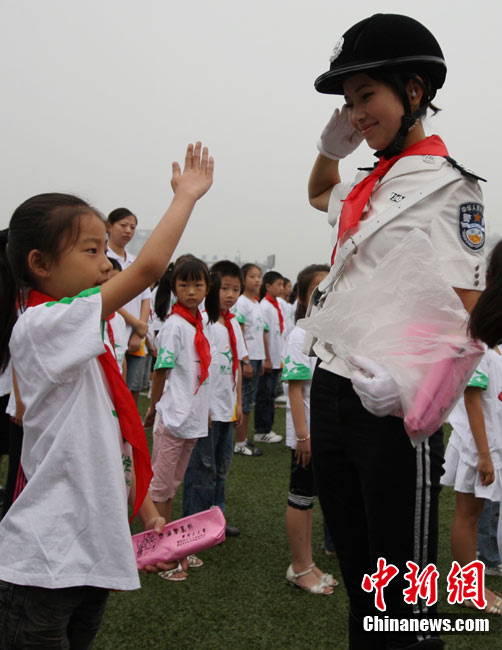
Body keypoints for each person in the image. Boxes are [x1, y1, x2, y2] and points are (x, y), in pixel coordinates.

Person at [307, 14, 485, 649]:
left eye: (366, 97)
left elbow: (468, 316)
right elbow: (319, 194)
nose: (356, 115)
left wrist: (411, 386)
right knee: (361, 575)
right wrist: (331, 150)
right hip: (331, 386)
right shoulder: (368, 181)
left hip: (391, 401)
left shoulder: (452, 187)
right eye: (348, 102)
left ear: (414, 91)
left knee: (403, 593)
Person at [0, 142, 214, 647]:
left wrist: (147, 513)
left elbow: (104, 442)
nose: (106, 262)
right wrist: (185, 196)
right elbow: (147, 270)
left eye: (105, 249)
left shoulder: (79, 338)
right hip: (47, 561)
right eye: (92, 250)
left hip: (90, 555)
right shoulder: (42, 324)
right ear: (40, 264)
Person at [144, 255, 218, 581]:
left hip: (192, 419)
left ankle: (170, 546)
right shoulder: (174, 325)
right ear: (173, 287)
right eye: (184, 284)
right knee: (161, 488)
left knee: (171, 485)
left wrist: (206, 411)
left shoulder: (199, 323)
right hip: (174, 416)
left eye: (197, 284)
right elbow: (161, 370)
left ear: (207, 288)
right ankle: (162, 553)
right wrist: (153, 406)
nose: (191, 291)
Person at [182, 260, 248, 537]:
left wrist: (238, 403)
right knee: (201, 467)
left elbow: (237, 366)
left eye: (235, 289)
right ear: (211, 288)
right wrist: (203, 407)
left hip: (227, 407)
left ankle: (216, 520)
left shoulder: (233, 323)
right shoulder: (204, 322)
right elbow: (198, 366)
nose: (230, 295)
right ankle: (194, 525)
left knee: (221, 467)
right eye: (224, 288)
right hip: (207, 410)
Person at [282, 264, 337, 595]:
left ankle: (309, 563)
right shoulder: (301, 334)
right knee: (301, 497)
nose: (327, 294)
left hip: (329, 433)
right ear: (303, 298)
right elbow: (295, 390)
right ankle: (300, 567)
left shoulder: (335, 331)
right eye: (318, 290)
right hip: (308, 434)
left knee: (316, 497)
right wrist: (303, 436)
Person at [441, 345, 502, 615]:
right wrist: (484, 455)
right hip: (476, 446)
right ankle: (469, 589)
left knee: (473, 515)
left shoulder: (495, 348)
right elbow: (471, 400)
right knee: (468, 515)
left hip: (489, 443)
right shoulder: (477, 348)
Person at [106, 207, 151, 404]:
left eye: (132, 227)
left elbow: (145, 297)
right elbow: (106, 296)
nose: (128, 231)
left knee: (132, 390)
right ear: (109, 226)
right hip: (112, 334)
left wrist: (139, 331)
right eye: (123, 225)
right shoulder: (103, 259)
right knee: (111, 390)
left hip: (135, 336)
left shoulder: (136, 262)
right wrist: (136, 324)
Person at [232, 263, 267, 456]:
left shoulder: (256, 303)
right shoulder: (242, 303)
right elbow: (240, 332)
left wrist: (263, 358)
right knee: (244, 401)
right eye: (252, 276)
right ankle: (239, 442)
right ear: (243, 279)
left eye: (259, 276)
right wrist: (245, 361)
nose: (257, 280)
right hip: (248, 357)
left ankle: (243, 438)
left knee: (249, 400)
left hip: (257, 357)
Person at [254, 271, 285, 444]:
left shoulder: (275, 305)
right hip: (269, 359)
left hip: (275, 357)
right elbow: (263, 334)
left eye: (282, 285)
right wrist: (266, 358)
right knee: (265, 395)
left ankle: (267, 428)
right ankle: (262, 430)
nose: (281, 288)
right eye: (278, 284)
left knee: (270, 395)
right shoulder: (265, 306)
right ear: (268, 286)